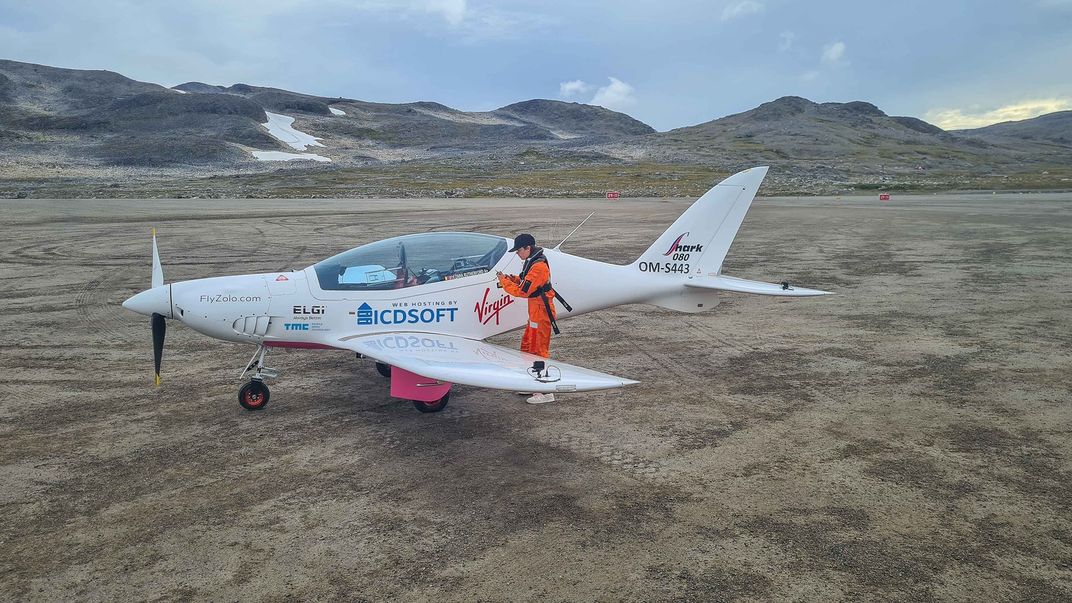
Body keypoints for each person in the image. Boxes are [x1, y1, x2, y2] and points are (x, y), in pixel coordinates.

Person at [497, 233, 558, 404]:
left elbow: (524, 291)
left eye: (518, 251)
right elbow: (525, 282)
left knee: (539, 351)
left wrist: (504, 282)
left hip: (542, 313)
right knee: (527, 348)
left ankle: (544, 391)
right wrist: (511, 278)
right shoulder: (532, 262)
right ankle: (531, 383)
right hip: (535, 312)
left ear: (527, 248)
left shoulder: (538, 267)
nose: (517, 254)